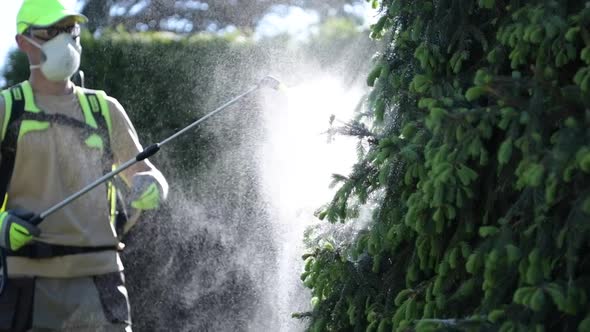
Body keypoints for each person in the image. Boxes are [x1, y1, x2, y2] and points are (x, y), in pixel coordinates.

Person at [0, 0, 168, 331]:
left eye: (70, 30)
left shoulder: (103, 109)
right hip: (28, 285)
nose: (65, 40)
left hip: (100, 283)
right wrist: (3, 224)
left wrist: (153, 187)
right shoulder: (8, 109)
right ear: (24, 42)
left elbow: (147, 173)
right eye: (51, 32)